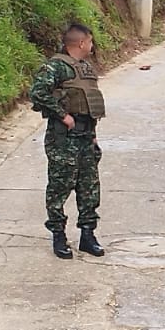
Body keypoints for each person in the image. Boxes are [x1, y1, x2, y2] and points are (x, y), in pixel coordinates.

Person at [29, 23, 105, 260]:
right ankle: (58, 235)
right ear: (81, 43)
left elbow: (90, 104)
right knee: (59, 187)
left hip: (85, 137)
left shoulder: (86, 69)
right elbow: (37, 93)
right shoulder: (56, 66)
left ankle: (87, 235)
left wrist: (93, 134)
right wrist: (62, 115)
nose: (92, 46)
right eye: (90, 42)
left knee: (89, 188)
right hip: (64, 140)